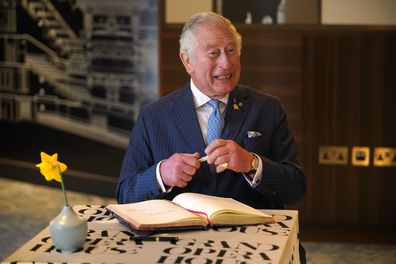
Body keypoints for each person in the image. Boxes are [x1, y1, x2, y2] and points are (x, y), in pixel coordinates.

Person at [117, 11, 306, 211]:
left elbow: (296, 188)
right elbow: (125, 194)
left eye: (231, 50)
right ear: (187, 61)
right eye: (214, 53)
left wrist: (251, 163)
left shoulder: (268, 109)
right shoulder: (153, 116)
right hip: (180, 237)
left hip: (250, 236)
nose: (226, 63)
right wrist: (161, 174)